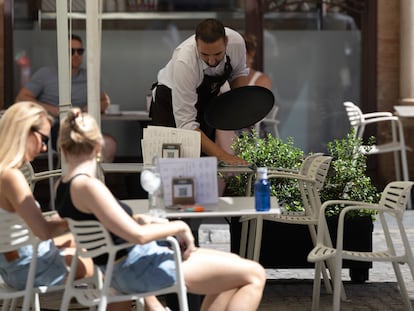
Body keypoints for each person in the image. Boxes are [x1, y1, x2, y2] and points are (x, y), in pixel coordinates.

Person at [55, 107, 267, 311]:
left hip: (125, 266)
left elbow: (110, 225)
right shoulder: (88, 186)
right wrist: (178, 226)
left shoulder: (62, 187)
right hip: (137, 267)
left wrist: (142, 220)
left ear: (63, 148)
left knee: (231, 271)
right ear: (99, 147)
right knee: (254, 274)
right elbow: (137, 236)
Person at [0, 101, 94, 291]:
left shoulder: (5, 172)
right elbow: (42, 231)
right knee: (109, 260)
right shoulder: (11, 177)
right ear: (25, 131)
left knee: (87, 244)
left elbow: (17, 227)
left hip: (14, 266)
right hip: (28, 269)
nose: (44, 148)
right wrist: (74, 220)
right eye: (43, 139)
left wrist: (59, 222)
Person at [150, 18, 249, 166]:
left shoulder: (237, 43)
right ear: (196, 44)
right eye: (204, 55)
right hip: (169, 102)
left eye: (217, 54)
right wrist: (224, 156)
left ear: (226, 42)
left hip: (205, 101)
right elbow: (186, 124)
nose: (211, 61)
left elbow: (239, 73)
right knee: (170, 166)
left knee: (204, 163)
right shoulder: (184, 61)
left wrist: (240, 111)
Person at [15, 34, 117, 163]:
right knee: (79, 145)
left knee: (109, 144)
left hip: (81, 125)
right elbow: (22, 98)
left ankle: (91, 180)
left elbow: (105, 101)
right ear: (61, 54)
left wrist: (90, 108)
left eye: (80, 51)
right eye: (71, 51)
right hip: (54, 128)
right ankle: (74, 180)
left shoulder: (89, 76)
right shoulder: (46, 74)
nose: (76, 55)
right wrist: (53, 109)